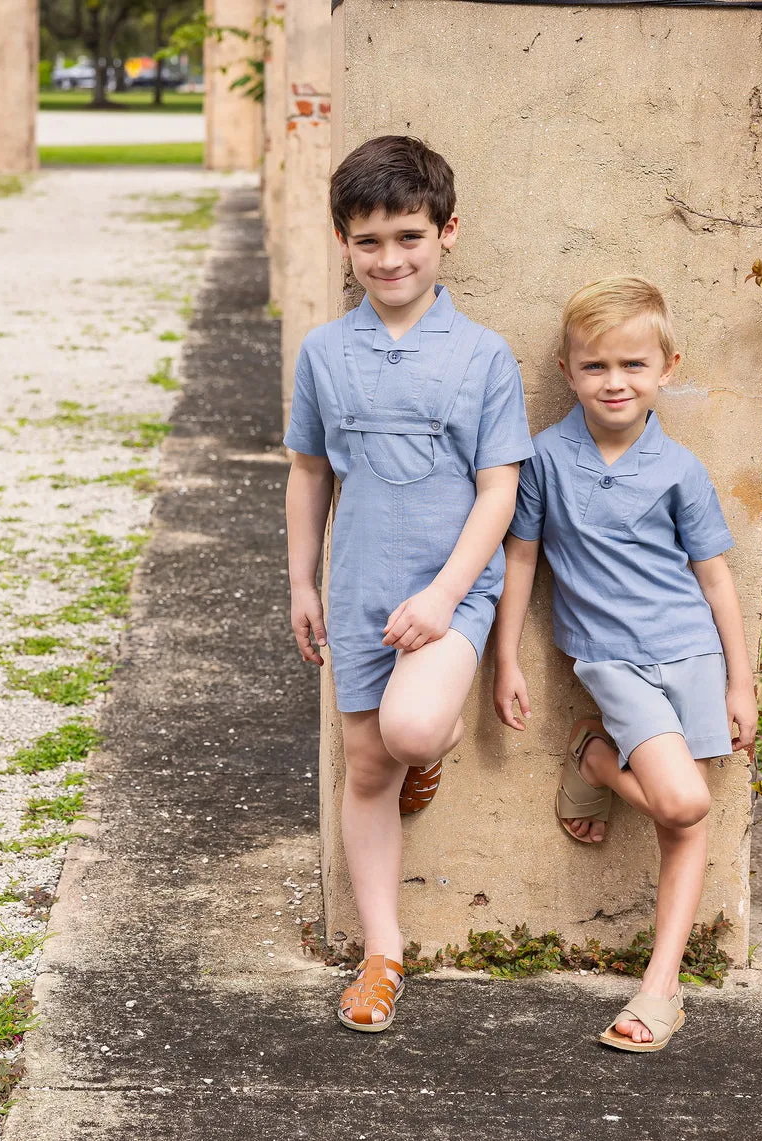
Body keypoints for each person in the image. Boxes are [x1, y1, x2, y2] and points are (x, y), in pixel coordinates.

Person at [284, 135, 533, 1031]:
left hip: (449, 589)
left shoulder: (482, 356)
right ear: (344, 244)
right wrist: (300, 582)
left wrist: (441, 597)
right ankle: (382, 953)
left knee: (413, 727)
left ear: (446, 234)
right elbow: (310, 471)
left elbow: (500, 488)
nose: (388, 259)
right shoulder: (323, 351)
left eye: (407, 238)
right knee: (363, 764)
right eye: (367, 242)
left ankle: (419, 761)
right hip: (356, 585)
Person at [493, 276, 758, 1053]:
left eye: (633, 366)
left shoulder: (679, 471)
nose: (615, 382)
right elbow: (520, 560)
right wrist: (504, 656)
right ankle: (596, 754)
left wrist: (738, 681)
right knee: (681, 805)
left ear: (666, 367)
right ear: (569, 371)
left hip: (691, 654)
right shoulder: (541, 460)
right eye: (597, 366)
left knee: (687, 822)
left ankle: (661, 986)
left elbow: (715, 580)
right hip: (611, 662)